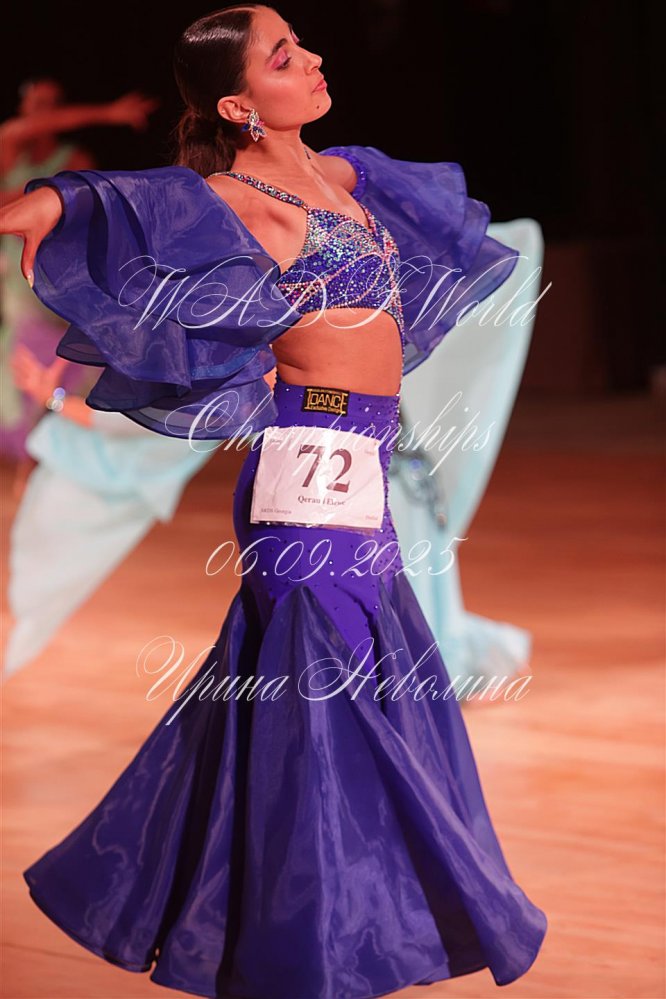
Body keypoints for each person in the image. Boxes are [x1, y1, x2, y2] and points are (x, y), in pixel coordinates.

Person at [0, 5, 548, 998]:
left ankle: (284, 929)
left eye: (301, 45)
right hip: (310, 476)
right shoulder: (226, 196)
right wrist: (48, 204)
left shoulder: (344, 178)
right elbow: (114, 201)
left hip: (359, 472)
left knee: (316, 699)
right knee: (325, 710)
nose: (315, 59)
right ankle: (310, 953)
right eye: (286, 56)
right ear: (239, 104)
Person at [0, 78, 158, 490]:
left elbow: (87, 211)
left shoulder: (74, 157)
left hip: (65, 280)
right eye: (36, 103)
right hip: (22, 284)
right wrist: (108, 113)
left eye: (51, 104)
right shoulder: (9, 147)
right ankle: (31, 457)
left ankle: (51, 455)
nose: (43, 112)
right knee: (24, 371)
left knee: (68, 370)